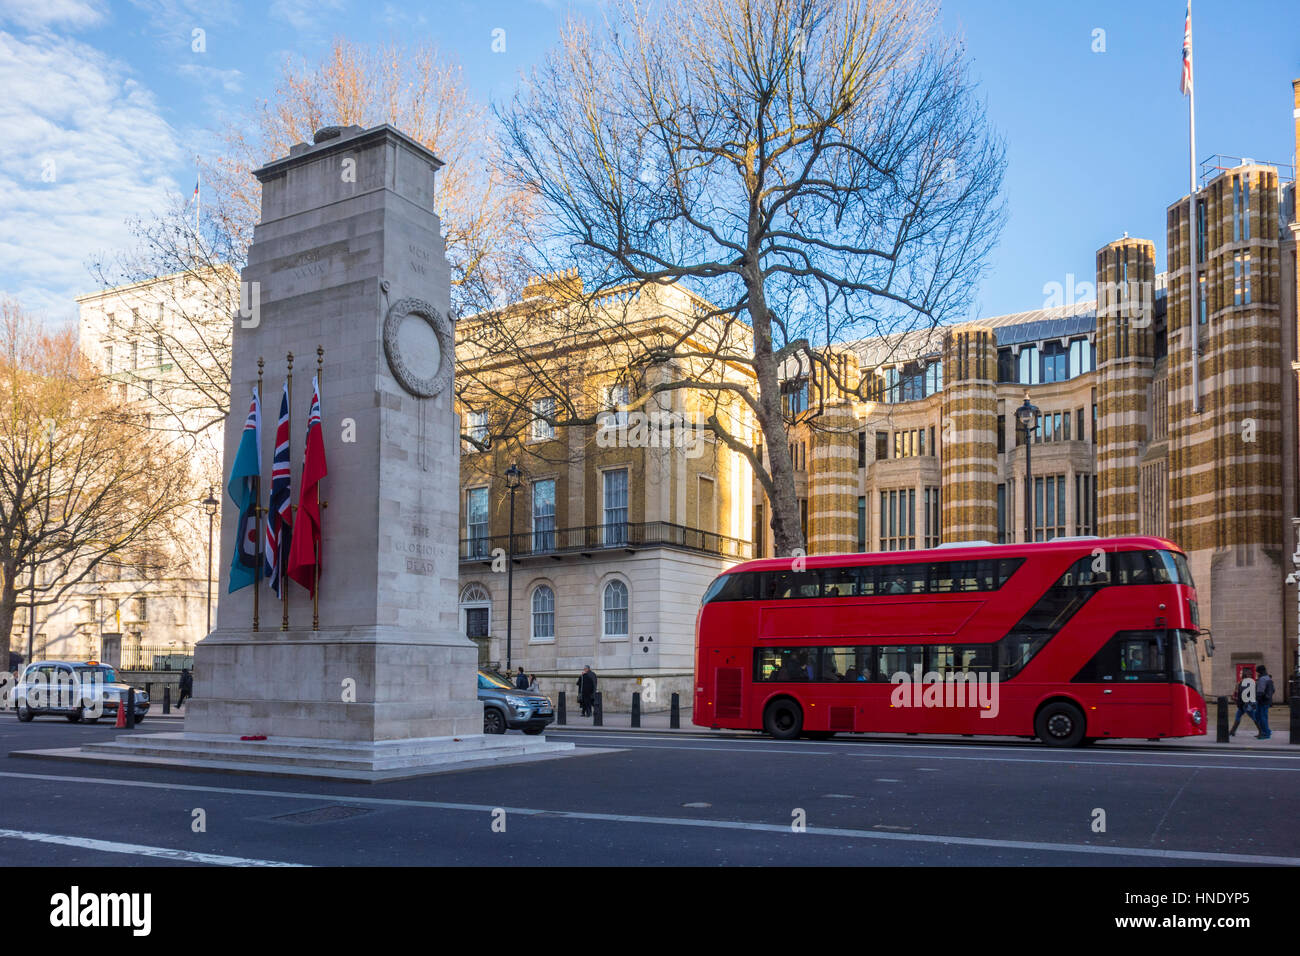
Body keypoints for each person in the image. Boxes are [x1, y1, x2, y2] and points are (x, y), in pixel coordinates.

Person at [1230, 672, 1257, 737]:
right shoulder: (1250, 683)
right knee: (1238, 716)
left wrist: (1235, 698)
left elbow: (1237, 694)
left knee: (1254, 717)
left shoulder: (1240, 683)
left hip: (1245, 704)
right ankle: (1232, 731)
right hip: (1245, 704)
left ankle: (1261, 731)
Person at [1254, 665, 1275, 739]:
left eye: (1257, 672)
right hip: (1267, 701)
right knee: (1259, 716)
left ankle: (1266, 733)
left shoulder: (1262, 679)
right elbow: (1273, 690)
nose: (1257, 673)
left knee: (1262, 717)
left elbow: (1260, 692)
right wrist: (1268, 696)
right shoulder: (1268, 678)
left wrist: (1256, 700)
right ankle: (1266, 731)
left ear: (1260, 671)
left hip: (1262, 701)